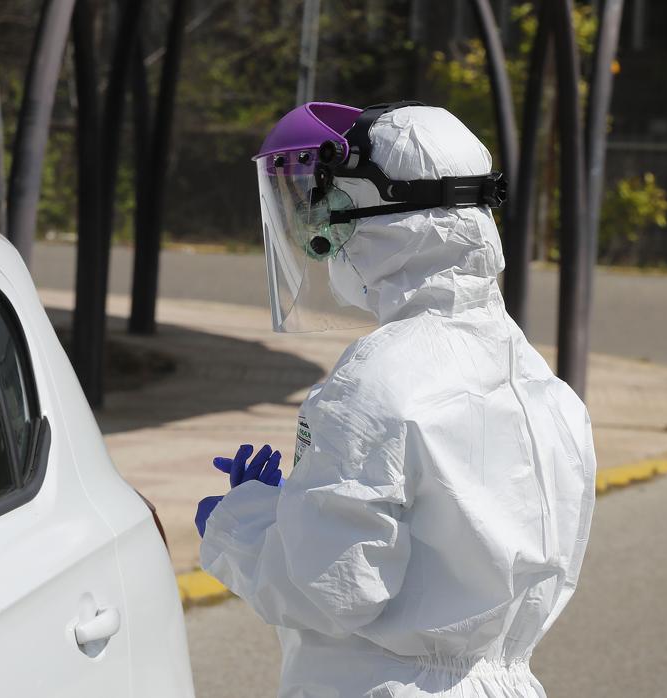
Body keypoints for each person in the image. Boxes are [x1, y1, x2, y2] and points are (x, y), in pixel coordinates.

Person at [194, 102, 595, 696]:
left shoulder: (374, 380)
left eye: (330, 211)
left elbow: (334, 588)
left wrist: (239, 523)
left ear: (381, 220)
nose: (322, 235)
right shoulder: (548, 389)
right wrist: (305, 509)